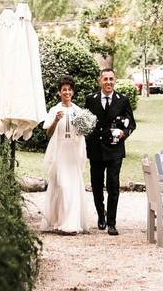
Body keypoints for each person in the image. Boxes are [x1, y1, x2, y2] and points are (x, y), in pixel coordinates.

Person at [84, 68, 136, 236]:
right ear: (100, 81)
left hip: (115, 149)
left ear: (115, 81)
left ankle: (112, 223)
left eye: (111, 79)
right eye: (105, 79)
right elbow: (86, 123)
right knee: (97, 185)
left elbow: (132, 124)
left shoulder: (123, 100)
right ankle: (101, 215)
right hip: (96, 149)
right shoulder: (90, 99)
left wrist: (124, 133)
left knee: (113, 186)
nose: (108, 82)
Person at [40, 76, 90, 234]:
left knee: (73, 186)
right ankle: (58, 221)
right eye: (64, 90)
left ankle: (71, 223)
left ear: (72, 92)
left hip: (74, 153)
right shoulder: (55, 110)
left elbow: (84, 132)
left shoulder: (78, 111)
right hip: (60, 151)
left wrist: (83, 127)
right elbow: (48, 133)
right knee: (61, 185)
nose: (67, 92)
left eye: (69, 89)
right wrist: (55, 121)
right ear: (59, 92)